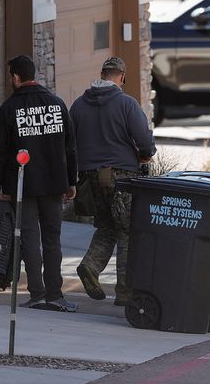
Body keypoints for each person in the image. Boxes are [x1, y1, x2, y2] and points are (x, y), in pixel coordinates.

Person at [0, 55, 78, 312]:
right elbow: (70, 148)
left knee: (29, 239)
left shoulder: (7, 109)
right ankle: (55, 294)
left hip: (22, 186)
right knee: (53, 240)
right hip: (53, 184)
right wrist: (71, 181)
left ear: (16, 77)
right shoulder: (56, 104)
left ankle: (37, 294)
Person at [71, 57, 156, 306]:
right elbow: (145, 142)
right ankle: (125, 292)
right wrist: (145, 154)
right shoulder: (126, 103)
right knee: (128, 232)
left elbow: (70, 144)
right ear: (121, 77)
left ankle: (90, 266)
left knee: (107, 226)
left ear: (102, 74)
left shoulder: (77, 105)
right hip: (121, 178)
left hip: (89, 179)